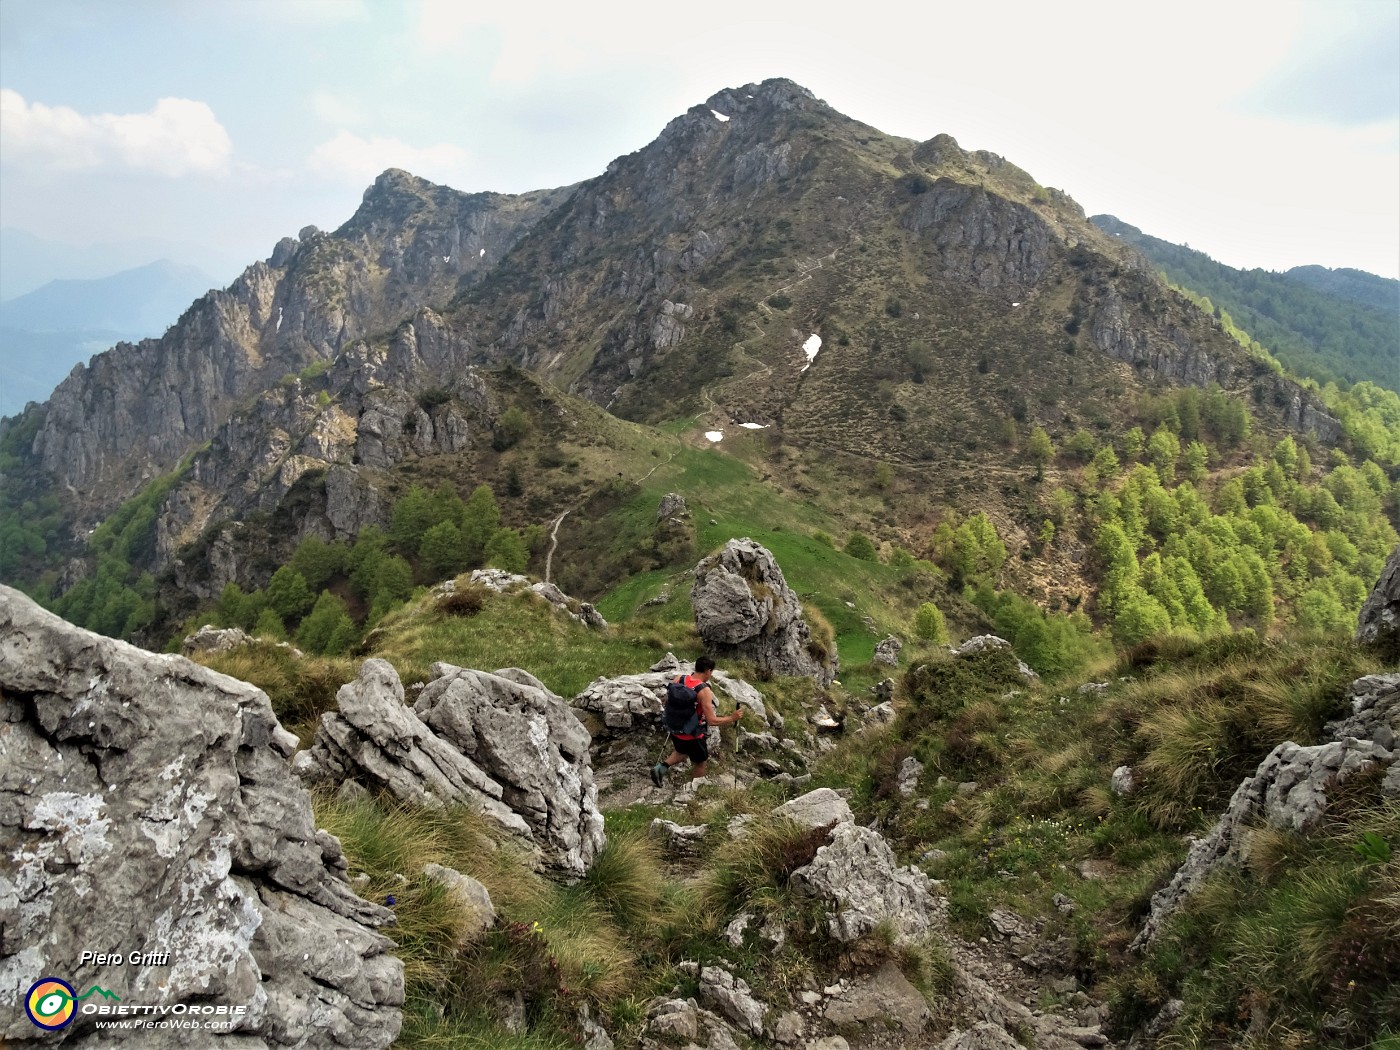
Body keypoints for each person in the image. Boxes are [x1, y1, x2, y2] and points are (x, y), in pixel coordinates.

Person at [651, 655, 742, 784]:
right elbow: (712, 721)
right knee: (700, 762)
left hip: (675, 728)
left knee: (682, 751)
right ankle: (694, 790)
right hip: (692, 734)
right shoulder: (703, 690)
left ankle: (661, 768)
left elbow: (668, 701)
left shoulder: (679, 679)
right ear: (708, 671)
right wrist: (732, 718)